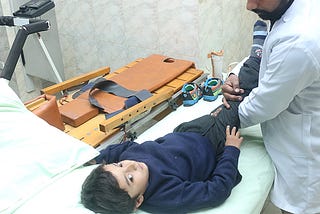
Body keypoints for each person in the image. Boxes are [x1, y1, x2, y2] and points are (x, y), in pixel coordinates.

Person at [80, 20, 268, 214]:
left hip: (187, 131)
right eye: (130, 179)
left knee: (225, 106)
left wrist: (94, 159)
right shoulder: (166, 195)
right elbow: (216, 191)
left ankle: (253, 70)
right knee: (236, 98)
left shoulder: (129, 160)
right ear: (138, 201)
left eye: (119, 165)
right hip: (213, 143)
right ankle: (256, 57)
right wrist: (230, 150)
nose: (131, 166)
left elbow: (122, 148)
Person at [222, 0, 320, 213]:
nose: (249, 6)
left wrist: (222, 120)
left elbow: (264, 105)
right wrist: (236, 74)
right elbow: (267, 53)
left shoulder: (301, 38)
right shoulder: (292, 11)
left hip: (305, 159)